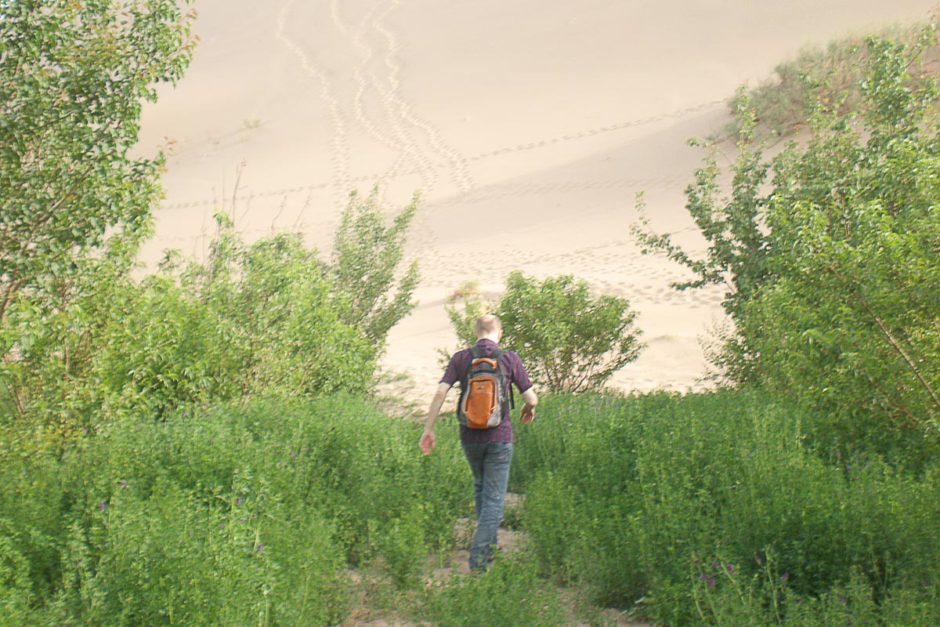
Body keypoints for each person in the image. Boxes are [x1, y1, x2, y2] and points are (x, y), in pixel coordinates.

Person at [419, 314, 538, 572]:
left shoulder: (461, 358)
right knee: (494, 500)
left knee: (481, 486)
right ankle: (479, 560)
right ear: (500, 333)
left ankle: (489, 547)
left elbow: (441, 391)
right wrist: (529, 409)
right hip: (500, 437)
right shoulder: (509, 358)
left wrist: (429, 428)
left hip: (469, 436)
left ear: (475, 332)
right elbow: (531, 397)